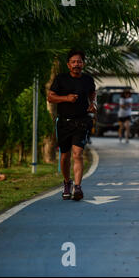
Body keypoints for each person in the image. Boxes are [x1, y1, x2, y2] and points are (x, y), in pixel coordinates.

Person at [47, 49, 96, 201]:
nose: (77, 64)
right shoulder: (61, 79)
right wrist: (66, 98)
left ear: (83, 64)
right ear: (68, 65)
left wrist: (92, 104)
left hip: (81, 121)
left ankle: (78, 187)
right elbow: (50, 97)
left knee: (77, 154)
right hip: (64, 122)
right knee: (65, 156)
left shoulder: (88, 79)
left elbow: (92, 94)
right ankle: (67, 182)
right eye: (73, 62)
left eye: (79, 62)